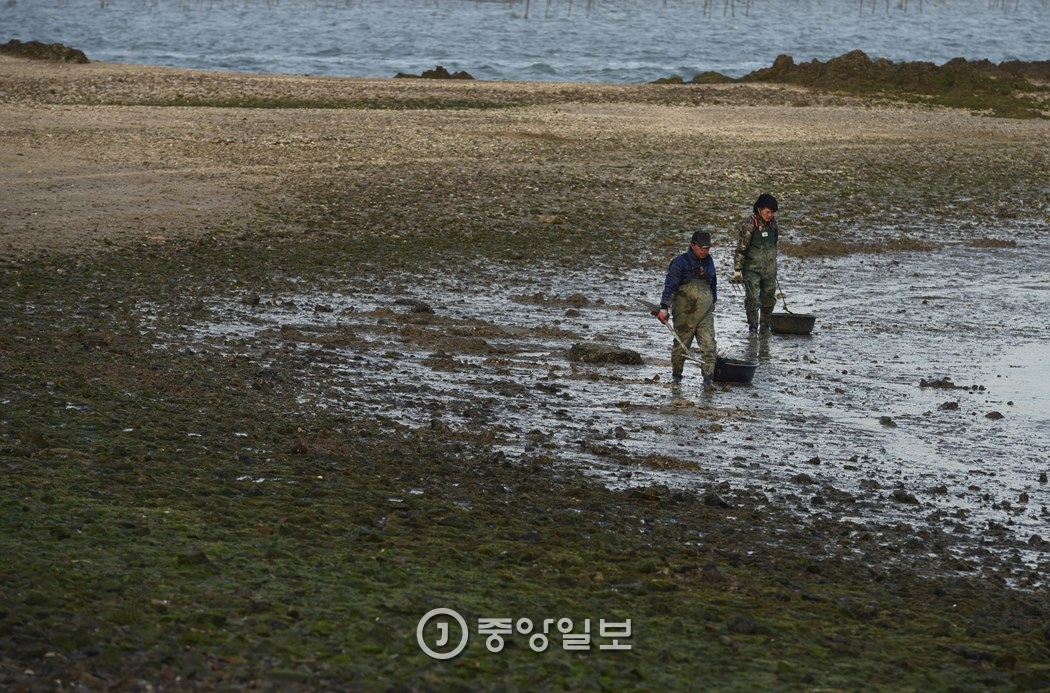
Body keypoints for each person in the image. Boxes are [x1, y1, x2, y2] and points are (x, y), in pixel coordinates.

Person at [656, 230, 718, 389]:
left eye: (707, 248)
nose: (704, 251)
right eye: (701, 248)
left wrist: (714, 301)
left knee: (709, 346)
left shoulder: (709, 262)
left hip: (705, 313)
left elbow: (713, 284)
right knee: (681, 346)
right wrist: (664, 308)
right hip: (685, 313)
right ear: (693, 245)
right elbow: (670, 287)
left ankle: (708, 380)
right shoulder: (680, 263)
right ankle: (676, 377)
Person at [731, 193, 779, 336]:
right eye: (767, 212)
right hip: (752, 269)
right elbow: (741, 248)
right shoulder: (749, 224)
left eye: (772, 212)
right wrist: (738, 269)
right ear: (759, 210)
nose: (770, 215)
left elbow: (774, 242)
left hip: (770, 269)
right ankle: (753, 327)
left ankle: (765, 327)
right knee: (752, 298)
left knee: (769, 297)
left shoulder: (774, 224)